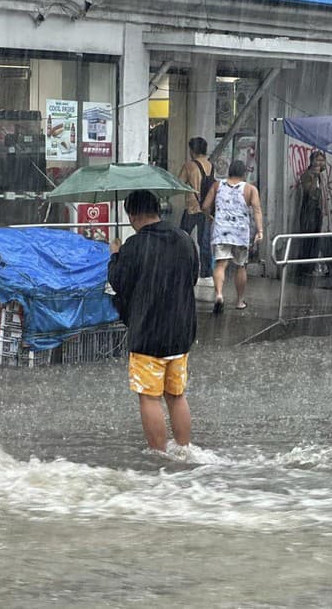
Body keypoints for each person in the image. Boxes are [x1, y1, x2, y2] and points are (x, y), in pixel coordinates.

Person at [108, 190, 198, 452]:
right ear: (157, 210)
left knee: (149, 397)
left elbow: (119, 283)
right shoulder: (183, 238)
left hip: (148, 333)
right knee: (176, 395)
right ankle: (184, 450)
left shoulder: (134, 246)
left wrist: (115, 255)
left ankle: (159, 456)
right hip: (180, 333)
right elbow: (193, 277)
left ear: (132, 215)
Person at [202, 159, 264, 312]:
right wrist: (260, 230)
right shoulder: (250, 189)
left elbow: (204, 206)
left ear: (229, 171)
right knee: (240, 266)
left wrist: (210, 217)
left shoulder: (217, 186)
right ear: (244, 173)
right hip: (240, 233)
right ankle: (240, 301)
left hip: (221, 231)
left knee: (220, 264)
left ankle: (219, 295)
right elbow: (257, 210)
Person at [177, 136, 215, 279]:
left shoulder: (189, 166)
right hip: (206, 209)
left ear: (193, 150)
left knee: (181, 238)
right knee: (204, 242)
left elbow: (179, 182)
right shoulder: (211, 165)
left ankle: (183, 267)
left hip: (192, 208)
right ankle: (206, 273)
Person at [296, 149, 328, 275]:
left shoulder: (321, 176)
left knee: (315, 240)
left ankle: (312, 266)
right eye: (318, 160)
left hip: (317, 212)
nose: (320, 163)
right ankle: (304, 268)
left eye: (322, 160)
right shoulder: (306, 175)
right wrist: (314, 176)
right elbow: (311, 192)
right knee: (307, 240)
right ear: (312, 161)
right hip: (308, 212)